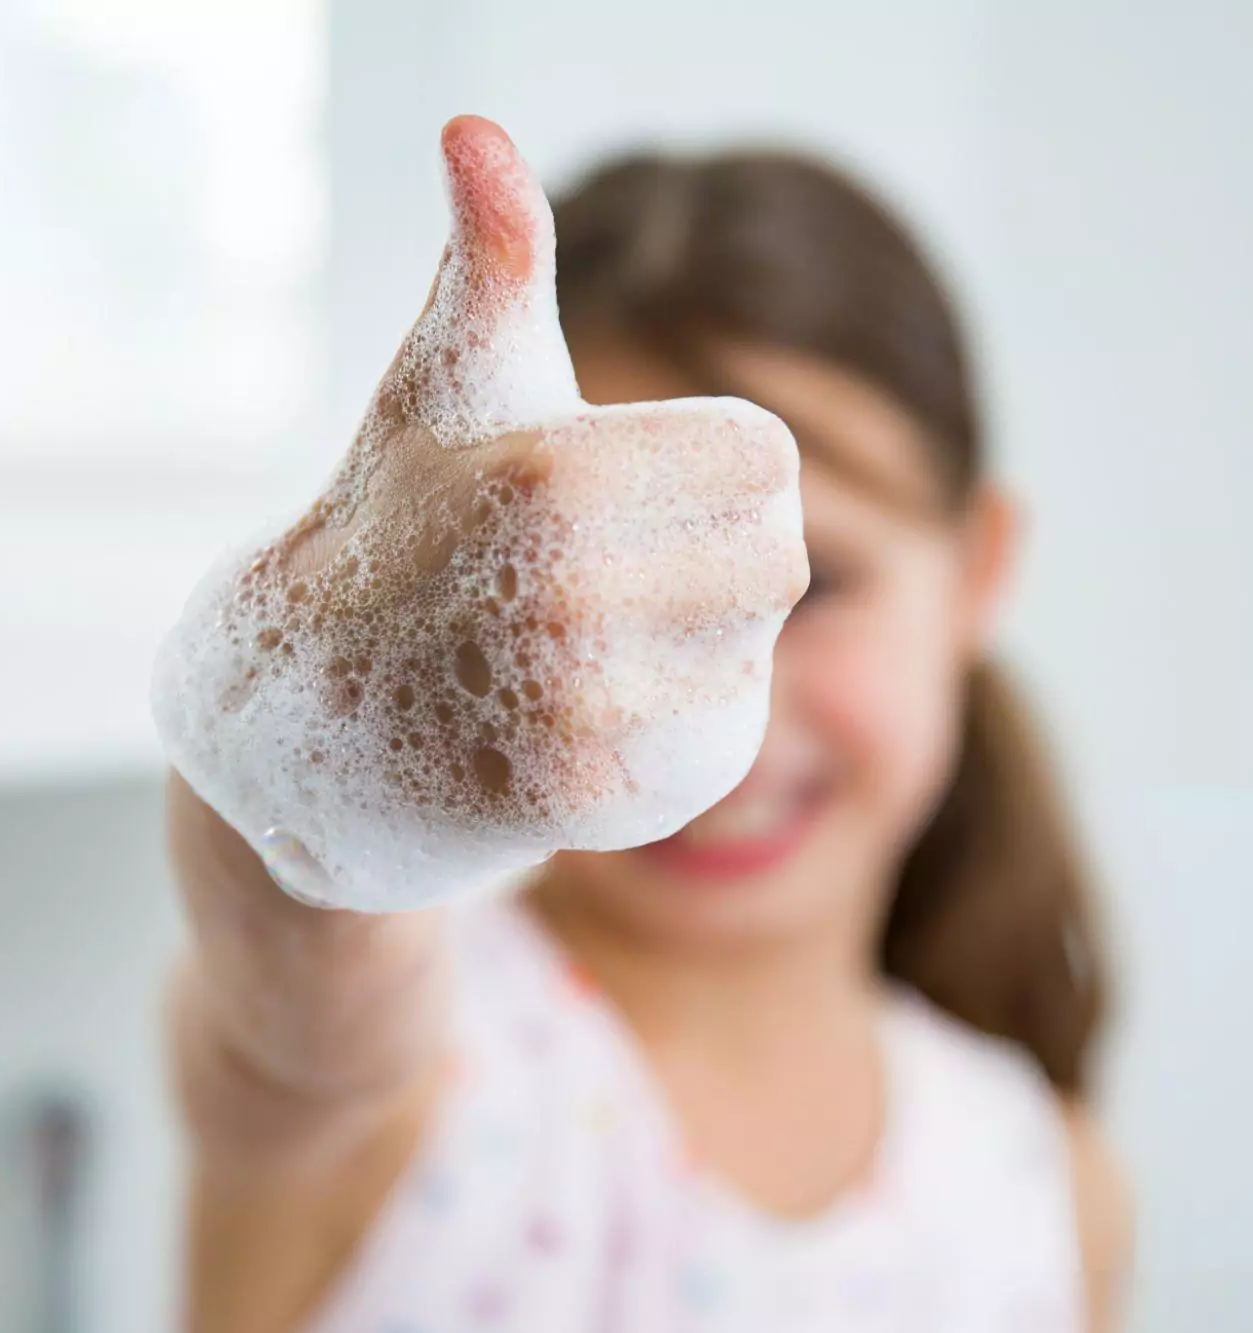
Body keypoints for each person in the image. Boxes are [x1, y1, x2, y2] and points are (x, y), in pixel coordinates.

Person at [164, 116, 1132, 1333]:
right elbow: (287, 990)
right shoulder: (394, 1078)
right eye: (589, 603)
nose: (720, 726)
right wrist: (327, 722)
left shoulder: (1048, 1188)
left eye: (818, 583)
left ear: (978, 571)